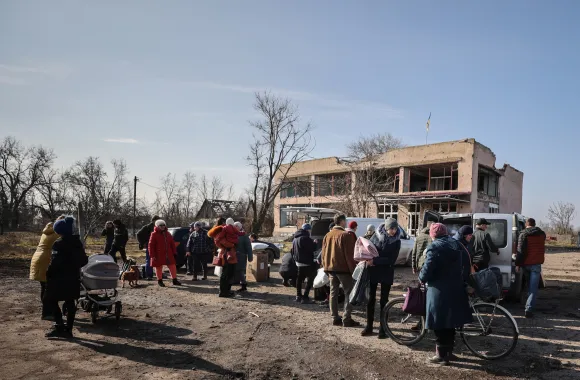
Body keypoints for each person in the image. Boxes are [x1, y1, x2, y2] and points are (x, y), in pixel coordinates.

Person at [419, 223, 473, 365]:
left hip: (439, 290)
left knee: (439, 324)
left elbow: (428, 268)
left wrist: (421, 278)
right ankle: (449, 352)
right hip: (455, 288)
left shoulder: (434, 247)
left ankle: (441, 356)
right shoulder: (455, 244)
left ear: (433, 234)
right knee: (450, 323)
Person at [43, 216, 88, 338]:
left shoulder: (58, 244)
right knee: (70, 301)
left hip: (59, 278)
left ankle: (59, 326)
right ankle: (68, 330)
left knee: (50, 299)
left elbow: (55, 263)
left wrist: (49, 273)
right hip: (73, 276)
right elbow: (84, 260)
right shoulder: (77, 242)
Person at [362, 218, 401, 338]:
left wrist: (375, 260)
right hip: (373, 270)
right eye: (391, 228)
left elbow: (391, 260)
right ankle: (369, 327)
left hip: (387, 271)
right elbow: (369, 250)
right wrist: (368, 259)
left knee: (384, 301)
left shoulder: (397, 241)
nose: (393, 231)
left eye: (395, 228)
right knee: (370, 299)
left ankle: (382, 329)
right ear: (386, 228)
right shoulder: (376, 235)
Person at [321, 214, 360, 327]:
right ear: (342, 222)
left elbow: (323, 254)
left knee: (333, 293)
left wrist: (325, 268)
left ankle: (334, 317)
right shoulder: (345, 235)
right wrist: (354, 272)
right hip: (343, 270)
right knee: (349, 293)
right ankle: (346, 319)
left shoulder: (327, 235)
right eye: (345, 221)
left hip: (331, 269)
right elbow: (350, 255)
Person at [30, 216, 64, 320]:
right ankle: (47, 313)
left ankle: (48, 312)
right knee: (48, 288)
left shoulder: (48, 230)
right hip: (45, 260)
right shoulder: (56, 234)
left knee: (45, 287)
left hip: (39, 259)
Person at [515, 218, 546, 319]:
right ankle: (529, 308)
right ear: (534, 224)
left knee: (528, 286)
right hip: (536, 264)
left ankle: (528, 306)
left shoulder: (523, 234)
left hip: (526, 264)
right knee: (533, 288)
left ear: (526, 225)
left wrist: (517, 265)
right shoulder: (542, 234)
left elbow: (520, 251)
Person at [209, 217, 238, 298]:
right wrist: (231, 244)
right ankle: (223, 292)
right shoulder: (220, 231)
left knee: (229, 273)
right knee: (226, 274)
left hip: (229, 253)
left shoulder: (224, 230)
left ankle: (226, 291)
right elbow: (219, 241)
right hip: (226, 254)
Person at [148, 219, 181, 287]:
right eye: (161, 225)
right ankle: (160, 280)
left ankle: (174, 280)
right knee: (158, 267)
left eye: (164, 225)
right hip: (158, 254)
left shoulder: (168, 233)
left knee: (172, 266)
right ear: (157, 226)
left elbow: (172, 243)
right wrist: (152, 255)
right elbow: (151, 245)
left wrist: (174, 252)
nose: (163, 226)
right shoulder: (154, 234)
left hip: (168, 253)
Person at [292, 223, 317, 304]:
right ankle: (305, 297)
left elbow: (292, 251)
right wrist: (315, 243)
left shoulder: (295, 238)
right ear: (307, 230)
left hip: (298, 263)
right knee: (310, 279)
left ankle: (298, 296)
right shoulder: (306, 238)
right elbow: (312, 249)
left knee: (299, 279)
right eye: (310, 230)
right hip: (307, 263)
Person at [137, 215, 161, 280]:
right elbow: (138, 234)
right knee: (149, 259)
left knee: (159, 260)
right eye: (157, 220)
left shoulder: (159, 227)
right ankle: (149, 275)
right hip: (150, 245)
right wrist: (142, 243)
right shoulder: (147, 227)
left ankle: (159, 274)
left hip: (158, 245)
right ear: (153, 220)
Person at [233, 221, 253, 292]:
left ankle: (243, 285)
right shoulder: (233, 234)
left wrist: (250, 257)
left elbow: (248, 247)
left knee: (240, 270)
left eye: (235, 227)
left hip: (241, 256)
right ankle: (237, 282)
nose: (234, 228)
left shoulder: (244, 235)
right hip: (234, 255)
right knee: (235, 270)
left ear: (239, 227)